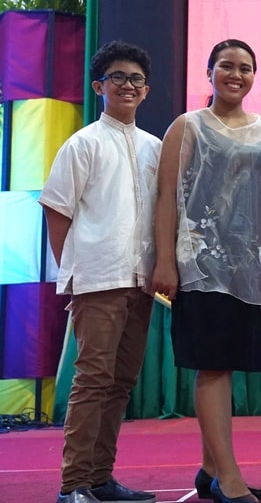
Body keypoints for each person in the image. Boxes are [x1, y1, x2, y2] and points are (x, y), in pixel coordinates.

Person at [153, 39, 261, 503]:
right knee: (213, 367)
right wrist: (166, 261)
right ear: (209, 72)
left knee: (230, 364)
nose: (236, 74)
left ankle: (210, 470)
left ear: (253, 75)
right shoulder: (187, 126)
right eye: (226, 66)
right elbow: (167, 196)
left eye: (245, 67)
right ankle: (230, 477)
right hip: (201, 267)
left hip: (252, 268)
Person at [40, 40, 160, 503]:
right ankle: (73, 486)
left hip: (142, 280)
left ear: (146, 91)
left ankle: (100, 479)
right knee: (92, 382)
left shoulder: (155, 147)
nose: (128, 86)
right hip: (98, 279)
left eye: (136, 79)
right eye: (118, 78)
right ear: (99, 87)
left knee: (121, 383)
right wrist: (75, 270)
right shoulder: (82, 143)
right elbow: (58, 212)